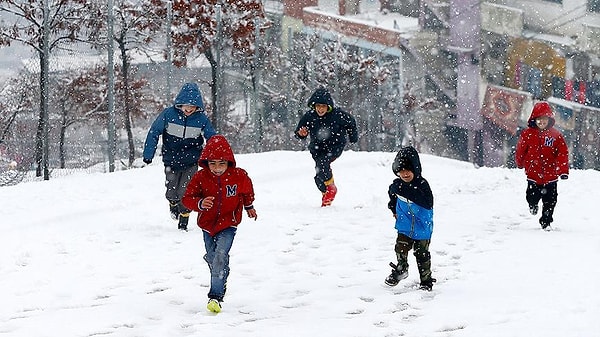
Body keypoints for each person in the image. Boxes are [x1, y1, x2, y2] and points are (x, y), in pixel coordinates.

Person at [181, 135, 257, 313]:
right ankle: (220, 271)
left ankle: (215, 296)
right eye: (212, 163)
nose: (216, 168)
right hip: (207, 225)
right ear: (206, 162)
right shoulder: (200, 177)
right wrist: (199, 203)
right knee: (212, 257)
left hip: (228, 223)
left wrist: (249, 206)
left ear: (229, 162)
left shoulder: (239, 176)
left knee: (220, 255)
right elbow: (187, 198)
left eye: (221, 163)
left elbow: (247, 191)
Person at [142, 82, 217, 231]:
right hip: (171, 159)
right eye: (186, 106)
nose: (189, 109)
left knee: (186, 190)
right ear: (179, 104)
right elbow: (154, 132)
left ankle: (184, 218)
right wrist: (148, 154)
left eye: (193, 107)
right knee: (172, 190)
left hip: (191, 161)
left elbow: (212, 138)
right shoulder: (168, 115)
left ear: (198, 107)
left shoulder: (201, 119)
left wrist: (215, 156)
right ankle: (173, 203)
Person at [294, 87, 358, 206]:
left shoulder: (338, 115)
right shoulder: (309, 116)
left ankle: (331, 189)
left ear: (328, 106)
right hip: (317, 148)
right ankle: (326, 193)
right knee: (319, 176)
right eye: (318, 106)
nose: (320, 109)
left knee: (323, 164)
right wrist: (300, 134)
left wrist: (353, 137)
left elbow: (351, 122)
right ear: (314, 106)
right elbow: (299, 131)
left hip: (334, 146)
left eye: (323, 106)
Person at [384, 146, 436, 291]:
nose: (404, 174)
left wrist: (406, 190)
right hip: (405, 224)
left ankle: (426, 280)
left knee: (422, 254)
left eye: (408, 170)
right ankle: (401, 269)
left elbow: (428, 202)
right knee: (400, 247)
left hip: (422, 226)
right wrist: (393, 208)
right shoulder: (396, 185)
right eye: (401, 171)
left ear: (415, 169)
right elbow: (392, 195)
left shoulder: (422, 185)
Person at [515, 101, 569, 230]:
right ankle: (533, 205)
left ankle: (546, 222)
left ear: (549, 120)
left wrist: (563, 170)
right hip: (533, 174)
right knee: (531, 196)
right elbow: (521, 149)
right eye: (538, 119)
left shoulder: (556, 136)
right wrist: (520, 162)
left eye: (544, 119)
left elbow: (562, 153)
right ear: (534, 120)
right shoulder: (527, 134)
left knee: (550, 201)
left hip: (551, 176)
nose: (541, 122)